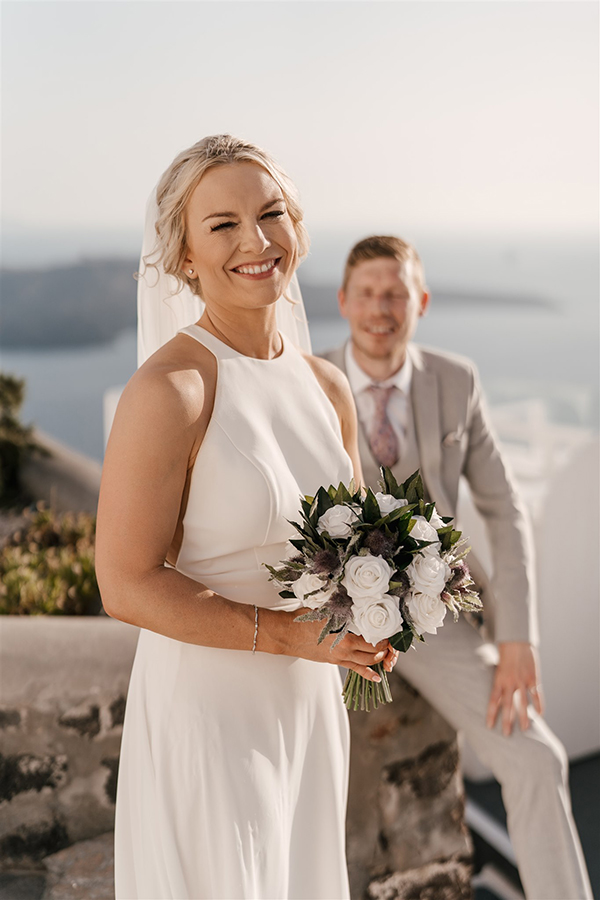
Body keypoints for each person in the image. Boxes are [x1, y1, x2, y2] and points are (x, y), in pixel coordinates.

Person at [95, 137, 398, 900]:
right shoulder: (171, 391)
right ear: (185, 256)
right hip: (210, 713)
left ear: (295, 225)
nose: (256, 242)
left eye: (270, 215)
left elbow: (355, 546)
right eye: (223, 224)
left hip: (309, 706)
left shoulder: (328, 386)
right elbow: (125, 585)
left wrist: (391, 606)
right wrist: (288, 635)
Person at [322, 235, 593, 900]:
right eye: (368, 294)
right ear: (343, 302)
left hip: (433, 616)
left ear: (421, 301)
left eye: (396, 294)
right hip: (324, 623)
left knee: (537, 759)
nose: (381, 308)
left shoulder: (456, 379)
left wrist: (517, 637)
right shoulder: (309, 378)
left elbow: (505, 510)